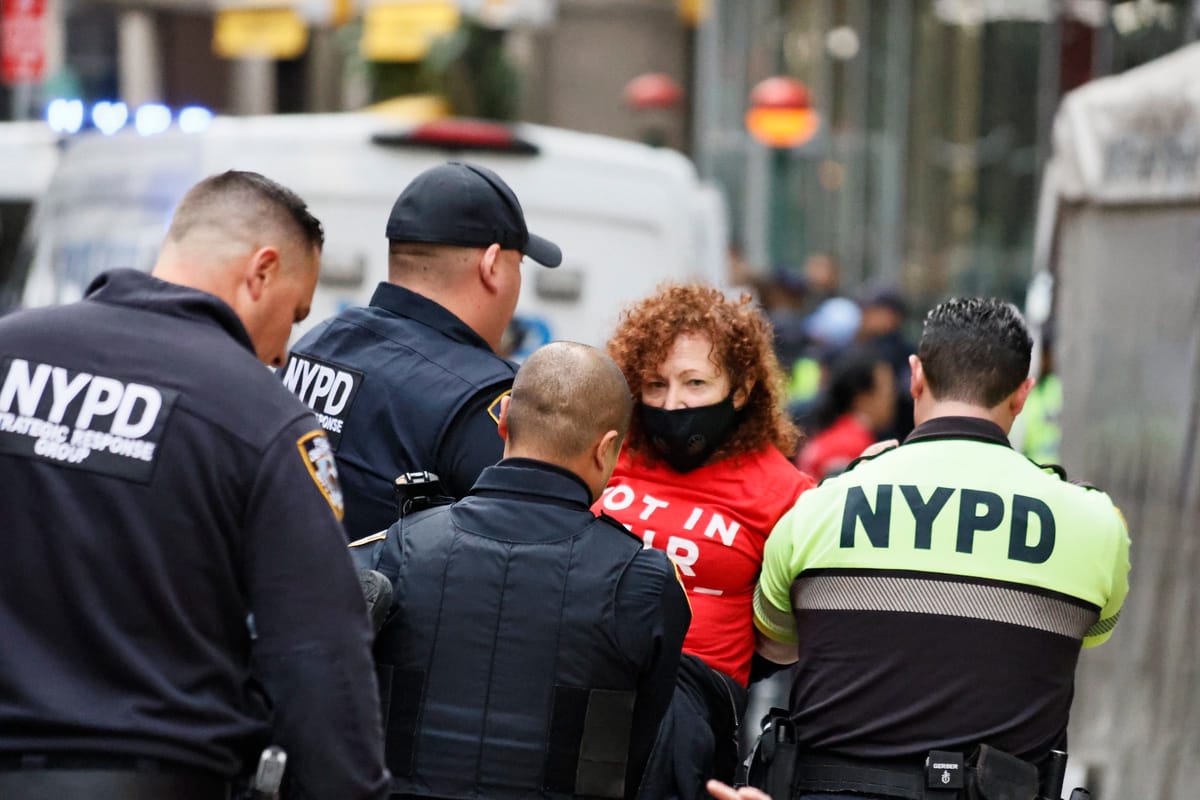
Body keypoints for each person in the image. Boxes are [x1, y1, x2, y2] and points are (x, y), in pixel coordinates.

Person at [0, 171, 388, 799]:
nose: (285, 353)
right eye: (293, 316)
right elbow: (319, 656)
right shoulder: (263, 417)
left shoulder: (8, 353)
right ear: (260, 271)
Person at [753, 297, 1131, 800]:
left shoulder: (818, 510)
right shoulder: (1096, 527)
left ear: (915, 376)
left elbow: (775, 642)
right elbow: (1086, 635)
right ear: (1021, 395)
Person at [352, 341, 690, 800]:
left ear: (504, 415)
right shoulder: (645, 582)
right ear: (608, 447)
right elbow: (641, 748)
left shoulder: (398, 547)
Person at [595, 283, 816, 798]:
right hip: (589, 677)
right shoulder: (608, 453)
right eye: (654, 384)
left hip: (693, 710)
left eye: (695, 383)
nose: (673, 404)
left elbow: (789, 632)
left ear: (739, 390)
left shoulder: (783, 491)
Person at [283, 160, 562, 539]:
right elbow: (532, 547)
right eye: (520, 264)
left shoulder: (316, 343)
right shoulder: (484, 397)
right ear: (492, 264)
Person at [795, 346, 895, 481]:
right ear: (862, 398)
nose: (893, 400)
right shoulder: (854, 446)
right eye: (887, 392)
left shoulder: (830, 434)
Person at [857, 283, 916, 442]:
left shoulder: (883, 351)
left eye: (871, 311)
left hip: (885, 436)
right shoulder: (911, 349)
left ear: (890, 315)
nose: (865, 316)